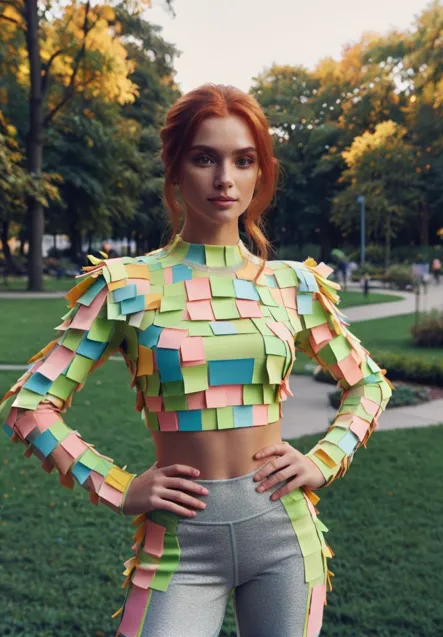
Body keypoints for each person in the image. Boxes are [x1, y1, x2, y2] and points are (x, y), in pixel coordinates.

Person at [0, 84, 393, 637]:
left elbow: (370, 385)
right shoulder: (125, 286)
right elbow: (29, 405)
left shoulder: (293, 285)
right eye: (204, 157)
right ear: (175, 168)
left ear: (261, 173)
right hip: (179, 546)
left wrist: (322, 460)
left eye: (243, 160)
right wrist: (117, 486)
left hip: (285, 536)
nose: (224, 178)